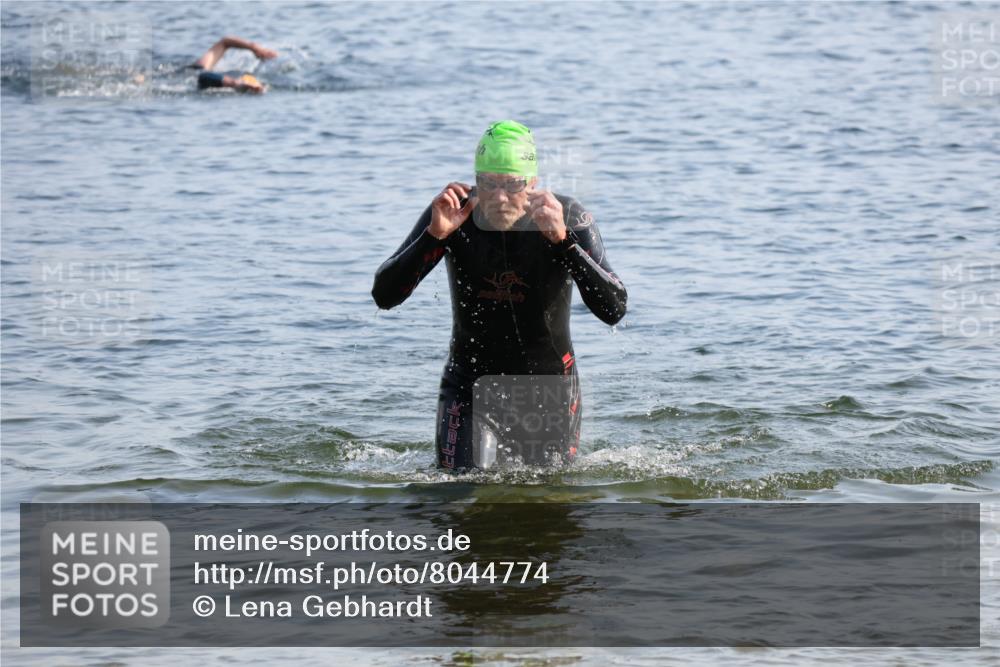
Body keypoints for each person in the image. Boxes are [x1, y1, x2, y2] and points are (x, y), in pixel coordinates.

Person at [372, 120, 627, 471]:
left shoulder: (567, 216)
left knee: (549, 509)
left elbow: (614, 309)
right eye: (488, 184)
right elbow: (385, 296)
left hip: (549, 389)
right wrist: (434, 237)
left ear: (533, 182)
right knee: (458, 492)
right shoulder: (454, 214)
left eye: (513, 184)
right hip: (469, 384)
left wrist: (563, 241)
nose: (500, 197)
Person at [188, 36, 278, 93]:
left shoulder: (196, 68)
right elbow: (202, 77)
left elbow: (225, 42)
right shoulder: (193, 72)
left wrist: (255, 48)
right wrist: (235, 83)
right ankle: (237, 83)